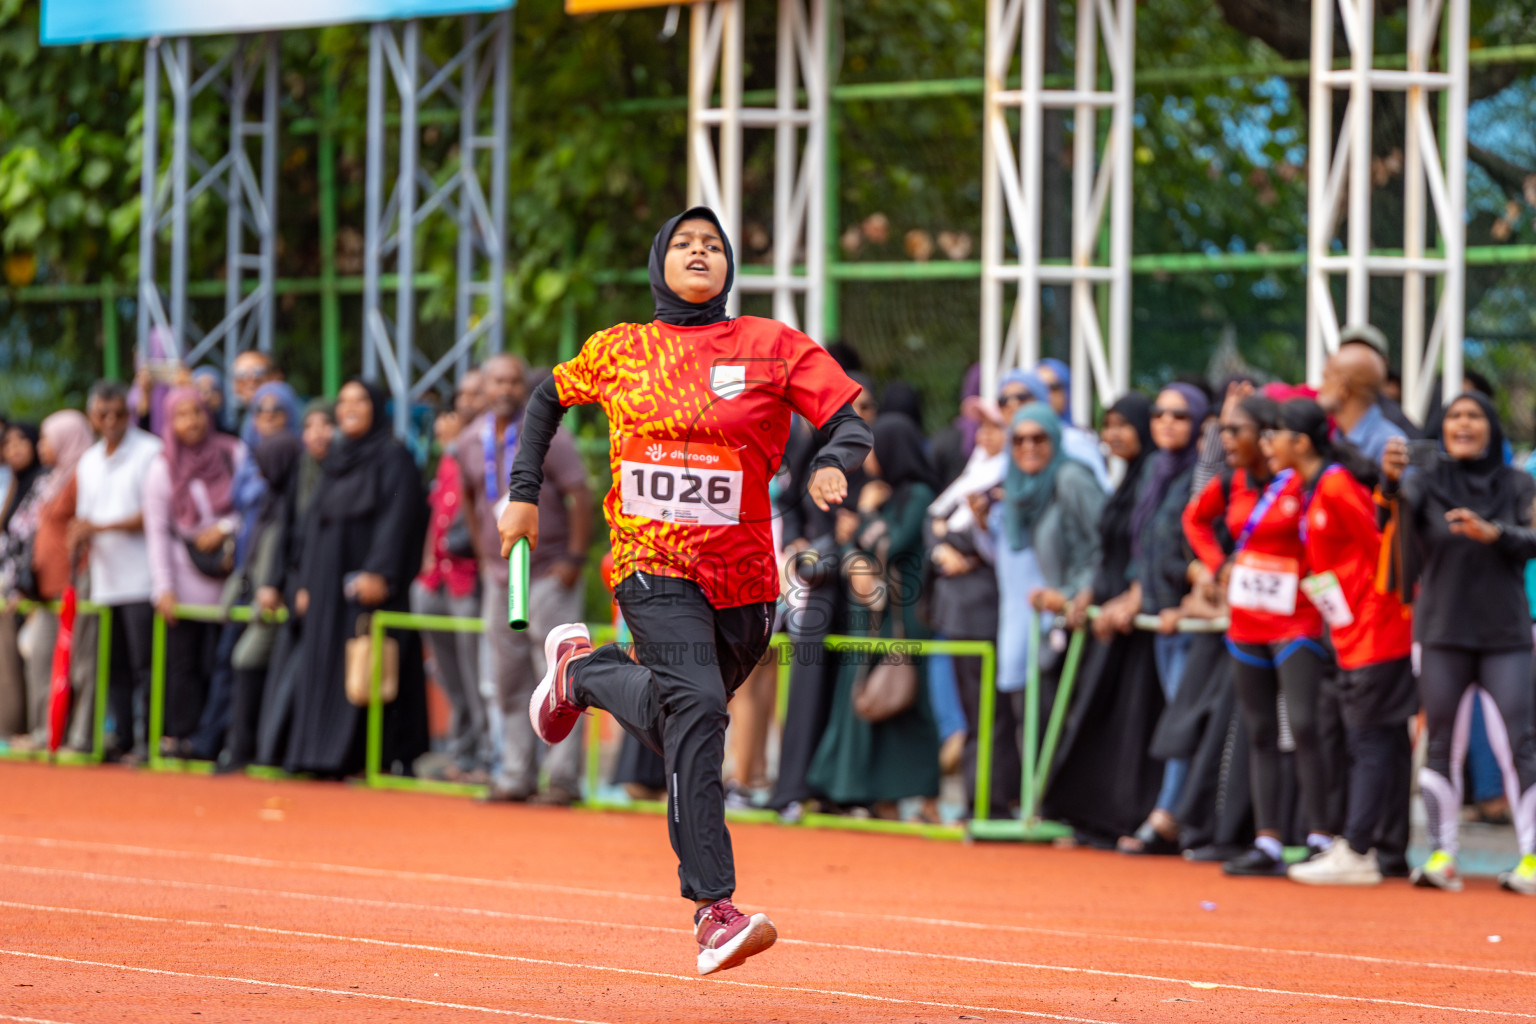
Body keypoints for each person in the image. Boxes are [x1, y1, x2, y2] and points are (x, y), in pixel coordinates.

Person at [498, 206, 870, 975]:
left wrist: (833, 460)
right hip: (650, 564)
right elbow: (545, 400)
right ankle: (714, 909)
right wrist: (523, 491)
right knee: (698, 709)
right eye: (684, 243)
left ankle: (583, 674)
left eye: (713, 245)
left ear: (729, 266)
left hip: (745, 581)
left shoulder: (771, 346)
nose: (700, 252)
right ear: (658, 261)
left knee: (687, 717)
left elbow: (846, 418)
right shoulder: (622, 348)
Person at [1380, 393, 1536, 895]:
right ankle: (1443, 855)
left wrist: (1498, 535)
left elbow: (1533, 539)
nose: (1463, 424)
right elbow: (1394, 519)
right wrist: (1388, 481)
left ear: (1491, 428)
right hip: (1442, 632)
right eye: (1453, 418)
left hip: (1506, 633)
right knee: (1441, 743)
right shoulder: (1425, 483)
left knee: (1521, 742)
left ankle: (1531, 859)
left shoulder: (1519, 484)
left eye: (1473, 416)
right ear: (1442, 430)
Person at [1263, 400, 1413, 887]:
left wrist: (1374, 612)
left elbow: (1381, 548)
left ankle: (1359, 847)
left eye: (1276, 433)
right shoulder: (1312, 486)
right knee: (1384, 739)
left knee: (1369, 738)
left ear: (1301, 442)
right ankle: (1386, 850)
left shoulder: (1333, 484)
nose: (1269, 443)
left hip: (1376, 627)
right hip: (1355, 630)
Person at [1186, 391, 1333, 876]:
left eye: (1236, 430)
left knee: (1306, 726)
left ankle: (1320, 837)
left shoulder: (1301, 482)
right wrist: (1216, 565)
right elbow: (1194, 520)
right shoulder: (1232, 484)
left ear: (1269, 435)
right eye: (1224, 431)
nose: (1227, 440)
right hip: (1246, 623)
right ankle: (1267, 841)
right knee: (1260, 731)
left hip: (1297, 622)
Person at [460, 353, 594, 805]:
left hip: (547, 572)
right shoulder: (469, 442)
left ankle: (562, 780)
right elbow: (471, 498)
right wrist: (485, 559)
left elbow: (581, 494)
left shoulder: (547, 436)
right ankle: (516, 774)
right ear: (483, 386)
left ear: (524, 387)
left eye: (514, 381)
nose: (504, 389)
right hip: (501, 578)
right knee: (508, 676)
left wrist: (574, 559)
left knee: (559, 674)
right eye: (496, 380)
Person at [1041, 393, 1166, 846]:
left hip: (1136, 615)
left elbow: (1151, 545)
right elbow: (1108, 548)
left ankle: (1130, 819)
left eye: (1123, 425)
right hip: (1107, 611)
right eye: (1107, 425)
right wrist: (1090, 592)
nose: (1113, 434)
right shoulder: (1126, 479)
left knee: (1133, 719)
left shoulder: (1155, 476)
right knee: (1098, 715)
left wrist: (1135, 593)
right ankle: (1094, 818)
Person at [286, 380, 428, 778]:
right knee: (327, 666)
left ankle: (366, 758)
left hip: (368, 587)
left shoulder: (393, 456)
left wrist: (380, 572)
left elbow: (399, 520)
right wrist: (304, 584)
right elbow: (314, 526)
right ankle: (320, 756)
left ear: (377, 407)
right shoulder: (335, 460)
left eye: (360, 400)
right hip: (327, 587)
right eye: (343, 401)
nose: (349, 408)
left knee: (367, 667)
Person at [807, 413, 943, 821]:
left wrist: (866, 516)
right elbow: (857, 548)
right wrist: (858, 547)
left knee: (908, 702)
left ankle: (927, 796)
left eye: (873, 450)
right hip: (870, 616)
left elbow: (895, 542)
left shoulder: (917, 494)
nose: (867, 460)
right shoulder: (884, 494)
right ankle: (879, 795)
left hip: (904, 617)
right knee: (875, 701)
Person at [972, 402, 1103, 817]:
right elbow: (1008, 553)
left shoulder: (1070, 478)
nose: (1028, 447)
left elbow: (1104, 543)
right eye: (1020, 439)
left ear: (1056, 439)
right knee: (1034, 714)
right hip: (1045, 619)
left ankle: (1061, 807)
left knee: (1056, 716)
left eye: (1039, 438)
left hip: (1077, 617)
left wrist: (1081, 591)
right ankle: (1044, 804)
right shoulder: (1024, 489)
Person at [1098, 384, 1205, 854]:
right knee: (1174, 717)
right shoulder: (1156, 473)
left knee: (1184, 719)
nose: (1166, 421)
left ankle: (1170, 816)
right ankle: (1172, 813)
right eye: (1160, 413)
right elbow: (1148, 550)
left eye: (1180, 416)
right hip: (1160, 616)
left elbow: (1202, 543)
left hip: (1191, 619)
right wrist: (1133, 596)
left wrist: (1189, 600)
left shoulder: (1201, 474)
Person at [143, 388, 245, 756]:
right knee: (182, 663)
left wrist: (225, 527)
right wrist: (163, 588)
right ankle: (184, 737)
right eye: (182, 415)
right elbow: (156, 530)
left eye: (197, 412)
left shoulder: (233, 452)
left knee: (218, 661)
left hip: (229, 574)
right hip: (183, 578)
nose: (192, 421)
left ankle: (215, 740)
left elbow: (253, 505)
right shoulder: (160, 467)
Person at [73, 382, 163, 761]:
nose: (111, 422)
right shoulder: (88, 460)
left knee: (146, 665)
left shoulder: (150, 451)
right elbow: (84, 518)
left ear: (129, 414)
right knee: (114, 667)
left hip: (143, 577)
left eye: (118, 414)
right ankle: (122, 737)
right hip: (104, 580)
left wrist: (100, 528)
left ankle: (149, 739)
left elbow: (154, 514)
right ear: (92, 418)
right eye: (103, 415)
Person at [253, 399, 335, 767]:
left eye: (325, 425)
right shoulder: (300, 470)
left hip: (320, 590)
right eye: (310, 426)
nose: (317, 434)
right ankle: (270, 752)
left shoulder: (340, 470)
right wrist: (273, 582)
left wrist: (310, 587)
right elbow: (288, 531)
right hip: (292, 588)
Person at [412, 406, 485, 783]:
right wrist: (427, 557)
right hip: (435, 578)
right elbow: (437, 513)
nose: (445, 422)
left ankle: (483, 757)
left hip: (468, 577)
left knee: (476, 674)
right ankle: (462, 752)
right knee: (447, 671)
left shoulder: (482, 453)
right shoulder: (445, 460)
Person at [0, 422, 42, 736]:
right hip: (9, 590)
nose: (14, 448)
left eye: (21, 441)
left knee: (29, 661)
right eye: (8, 443)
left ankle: (26, 732)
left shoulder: (43, 483)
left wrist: (27, 589)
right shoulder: (14, 486)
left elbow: (33, 542)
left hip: (31, 591)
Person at [1317, 341, 1404, 465]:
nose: (1321, 388)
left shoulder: (1389, 446)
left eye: (1326, 378)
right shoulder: (1338, 436)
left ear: (1342, 388)